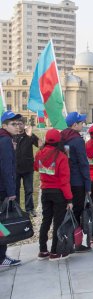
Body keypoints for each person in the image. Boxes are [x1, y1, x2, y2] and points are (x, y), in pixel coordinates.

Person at [35, 129, 73, 261]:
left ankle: (42, 250)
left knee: (46, 220)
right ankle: (55, 252)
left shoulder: (39, 153)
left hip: (45, 191)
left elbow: (36, 167)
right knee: (58, 222)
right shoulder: (62, 156)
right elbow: (64, 181)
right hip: (58, 193)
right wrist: (69, 199)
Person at [61, 112, 91, 253]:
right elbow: (83, 163)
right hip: (77, 181)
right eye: (80, 123)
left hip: (65, 181)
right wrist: (88, 185)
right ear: (74, 125)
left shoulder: (62, 137)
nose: (82, 124)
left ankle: (65, 241)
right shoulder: (77, 140)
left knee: (66, 212)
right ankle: (76, 243)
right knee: (77, 212)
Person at [0, 111, 22, 267]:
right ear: (4, 125)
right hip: (3, 189)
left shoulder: (4, 138)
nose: (17, 126)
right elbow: (6, 168)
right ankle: (1, 258)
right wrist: (11, 192)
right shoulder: (6, 141)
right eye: (13, 124)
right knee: (3, 224)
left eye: (18, 123)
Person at [14, 118, 42, 217]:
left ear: (24, 124)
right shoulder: (12, 136)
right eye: (16, 124)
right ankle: (16, 210)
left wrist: (32, 135)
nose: (18, 126)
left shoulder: (29, 135)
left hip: (28, 168)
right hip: (15, 168)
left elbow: (41, 145)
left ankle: (30, 209)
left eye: (20, 124)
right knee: (15, 190)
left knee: (29, 190)